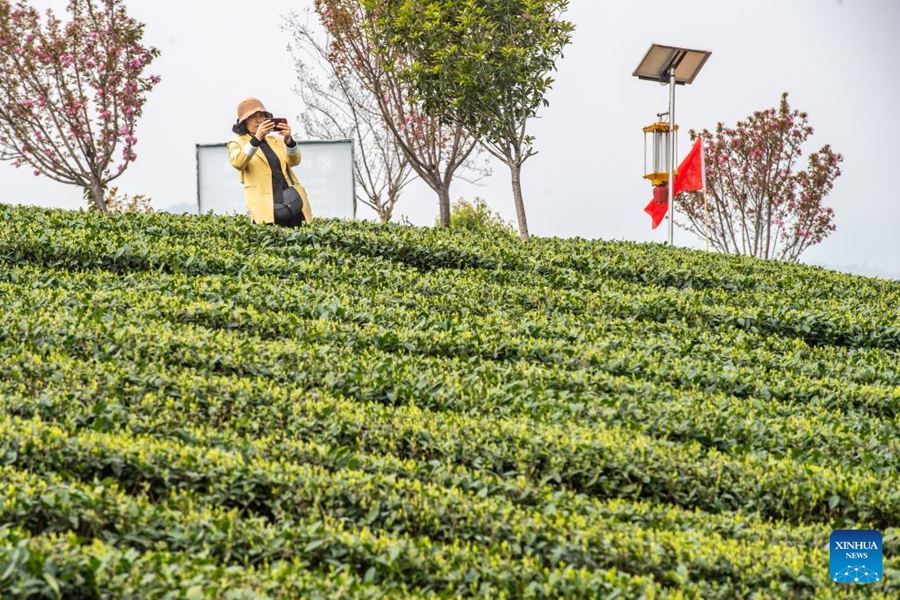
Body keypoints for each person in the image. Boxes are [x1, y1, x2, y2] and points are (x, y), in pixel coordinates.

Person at [227, 98, 312, 226]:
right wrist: (256, 139)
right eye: (253, 117)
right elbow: (238, 162)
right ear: (244, 122)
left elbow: (294, 161)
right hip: (264, 207)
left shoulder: (275, 140)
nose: (259, 120)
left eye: (262, 116)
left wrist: (289, 141)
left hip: (290, 201)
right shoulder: (237, 142)